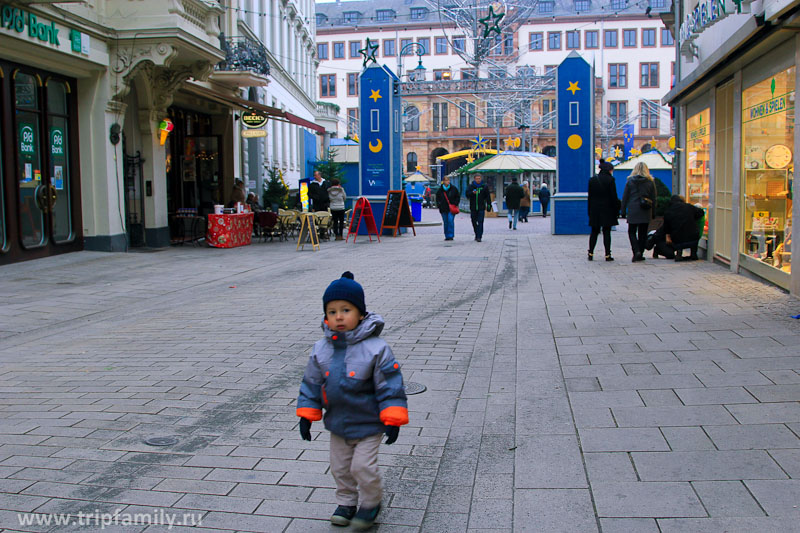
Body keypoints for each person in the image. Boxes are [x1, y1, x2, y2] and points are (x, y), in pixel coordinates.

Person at [296, 272, 409, 530]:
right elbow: (311, 383)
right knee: (340, 468)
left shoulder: (376, 348)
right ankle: (346, 502)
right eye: (332, 311)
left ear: (360, 314)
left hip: (369, 423)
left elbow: (390, 383)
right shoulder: (320, 349)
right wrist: (307, 414)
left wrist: (393, 418)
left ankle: (370, 504)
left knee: (362, 467)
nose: (338, 316)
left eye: (346, 310)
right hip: (338, 423)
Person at [621, 162, 657, 262]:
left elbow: (625, 197)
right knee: (643, 233)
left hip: (633, 209)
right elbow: (654, 198)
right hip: (645, 210)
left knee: (631, 232)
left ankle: (636, 251)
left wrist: (623, 211)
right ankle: (640, 253)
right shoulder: (650, 181)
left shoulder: (630, 181)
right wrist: (653, 212)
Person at [587, 160, 620, 261]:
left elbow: (590, 197)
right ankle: (607, 254)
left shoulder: (592, 180)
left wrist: (589, 210)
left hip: (595, 209)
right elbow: (613, 197)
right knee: (606, 232)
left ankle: (591, 252)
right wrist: (617, 209)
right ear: (609, 170)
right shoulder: (611, 180)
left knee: (594, 232)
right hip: (607, 210)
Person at [661, 194, 705, 261]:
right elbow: (701, 212)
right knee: (693, 232)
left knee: (678, 234)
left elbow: (666, 228)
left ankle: (679, 253)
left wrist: (668, 236)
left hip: (677, 239)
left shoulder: (668, 211)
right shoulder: (689, 207)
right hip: (693, 237)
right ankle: (693, 254)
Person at [466, 173, 491, 242]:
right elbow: (467, 194)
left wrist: (489, 205)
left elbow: (487, 197)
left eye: (479, 178)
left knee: (480, 222)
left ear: (481, 179)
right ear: (474, 179)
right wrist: (472, 193)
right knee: (473, 221)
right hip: (473, 207)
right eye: (477, 179)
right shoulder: (471, 186)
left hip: (481, 207)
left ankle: (479, 236)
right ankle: (476, 233)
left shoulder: (484, 187)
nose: (478, 180)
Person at [435, 176, 460, 241]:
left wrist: (455, 203)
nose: (448, 182)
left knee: (450, 221)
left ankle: (451, 235)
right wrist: (439, 205)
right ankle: (447, 235)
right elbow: (437, 198)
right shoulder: (440, 190)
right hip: (443, 208)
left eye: (448, 180)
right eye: (446, 180)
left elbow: (457, 197)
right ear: (443, 181)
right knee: (445, 222)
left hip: (451, 208)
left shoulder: (453, 189)